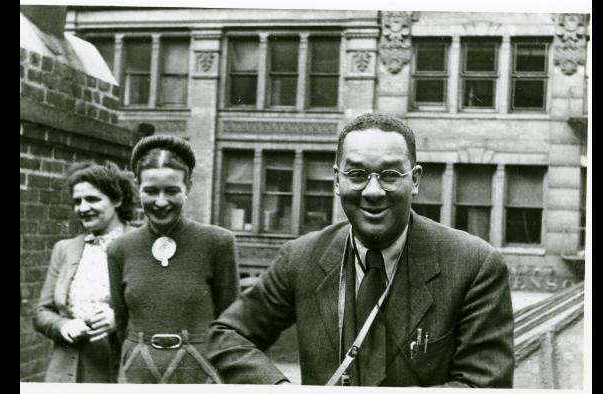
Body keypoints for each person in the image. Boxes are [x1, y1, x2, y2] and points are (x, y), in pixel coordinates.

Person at [206, 113, 515, 387]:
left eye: (391, 175)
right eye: (357, 175)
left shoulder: (475, 265)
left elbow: (483, 385)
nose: (373, 191)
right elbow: (227, 336)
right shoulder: (301, 258)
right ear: (337, 181)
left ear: (416, 179)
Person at [107, 135, 240, 383]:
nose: (160, 202)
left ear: (188, 186)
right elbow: (121, 324)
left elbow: (230, 327)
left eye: (171, 191)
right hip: (138, 374)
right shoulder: (119, 249)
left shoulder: (218, 243)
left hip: (199, 375)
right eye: (150, 191)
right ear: (137, 187)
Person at [34, 162, 137, 383]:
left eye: (92, 199)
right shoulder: (65, 249)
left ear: (117, 200)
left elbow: (160, 312)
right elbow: (42, 312)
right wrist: (64, 325)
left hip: (120, 372)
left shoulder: (143, 245)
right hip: (65, 374)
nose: (82, 208)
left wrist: (119, 318)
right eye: (77, 201)